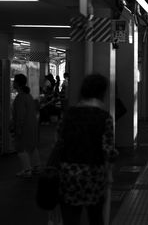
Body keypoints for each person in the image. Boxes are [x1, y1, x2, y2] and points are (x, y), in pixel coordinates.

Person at [53, 73, 118, 225]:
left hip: (68, 174)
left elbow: (58, 142)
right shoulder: (104, 117)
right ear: (102, 92)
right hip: (93, 177)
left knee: (70, 218)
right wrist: (114, 155)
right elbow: (107, 150)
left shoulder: (68, 114)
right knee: (96, 218)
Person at [11, 74, 41, 178]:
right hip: (32, 125)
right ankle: (36, 167)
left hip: (24, 127)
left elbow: (20, 116)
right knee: (32, 146)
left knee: (21, 148)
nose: (13, 83)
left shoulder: (20, 97)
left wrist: (17, 128)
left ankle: (27, 169)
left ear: (18, 84)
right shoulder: (28, 96)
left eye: (14, 81)